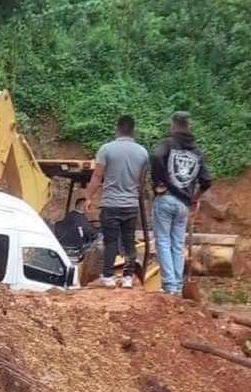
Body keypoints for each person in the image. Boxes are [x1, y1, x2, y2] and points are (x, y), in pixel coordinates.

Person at [150, 111, 212, 294]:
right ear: (188, 125)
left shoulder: (168, 144)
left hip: (166, 197)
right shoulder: (197, 152)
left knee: (162, 241)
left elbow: (154, 157)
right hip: (183, 204)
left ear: (173, 124)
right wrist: (195, 197)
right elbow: (207, 180)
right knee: (177, 244)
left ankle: (169, 286)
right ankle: (176, 286)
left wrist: (159, 182)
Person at [85, 115, 148, 289]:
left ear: (117, 128)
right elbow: (142, 182)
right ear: (133, 130)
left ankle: (108, 277)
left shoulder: (106, 149)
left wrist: (89, 197)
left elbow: (97, 176)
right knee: (129, 241)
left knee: (110, 241)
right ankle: (128, 278)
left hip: (111, 204)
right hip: (131, 205)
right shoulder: (143, 153)